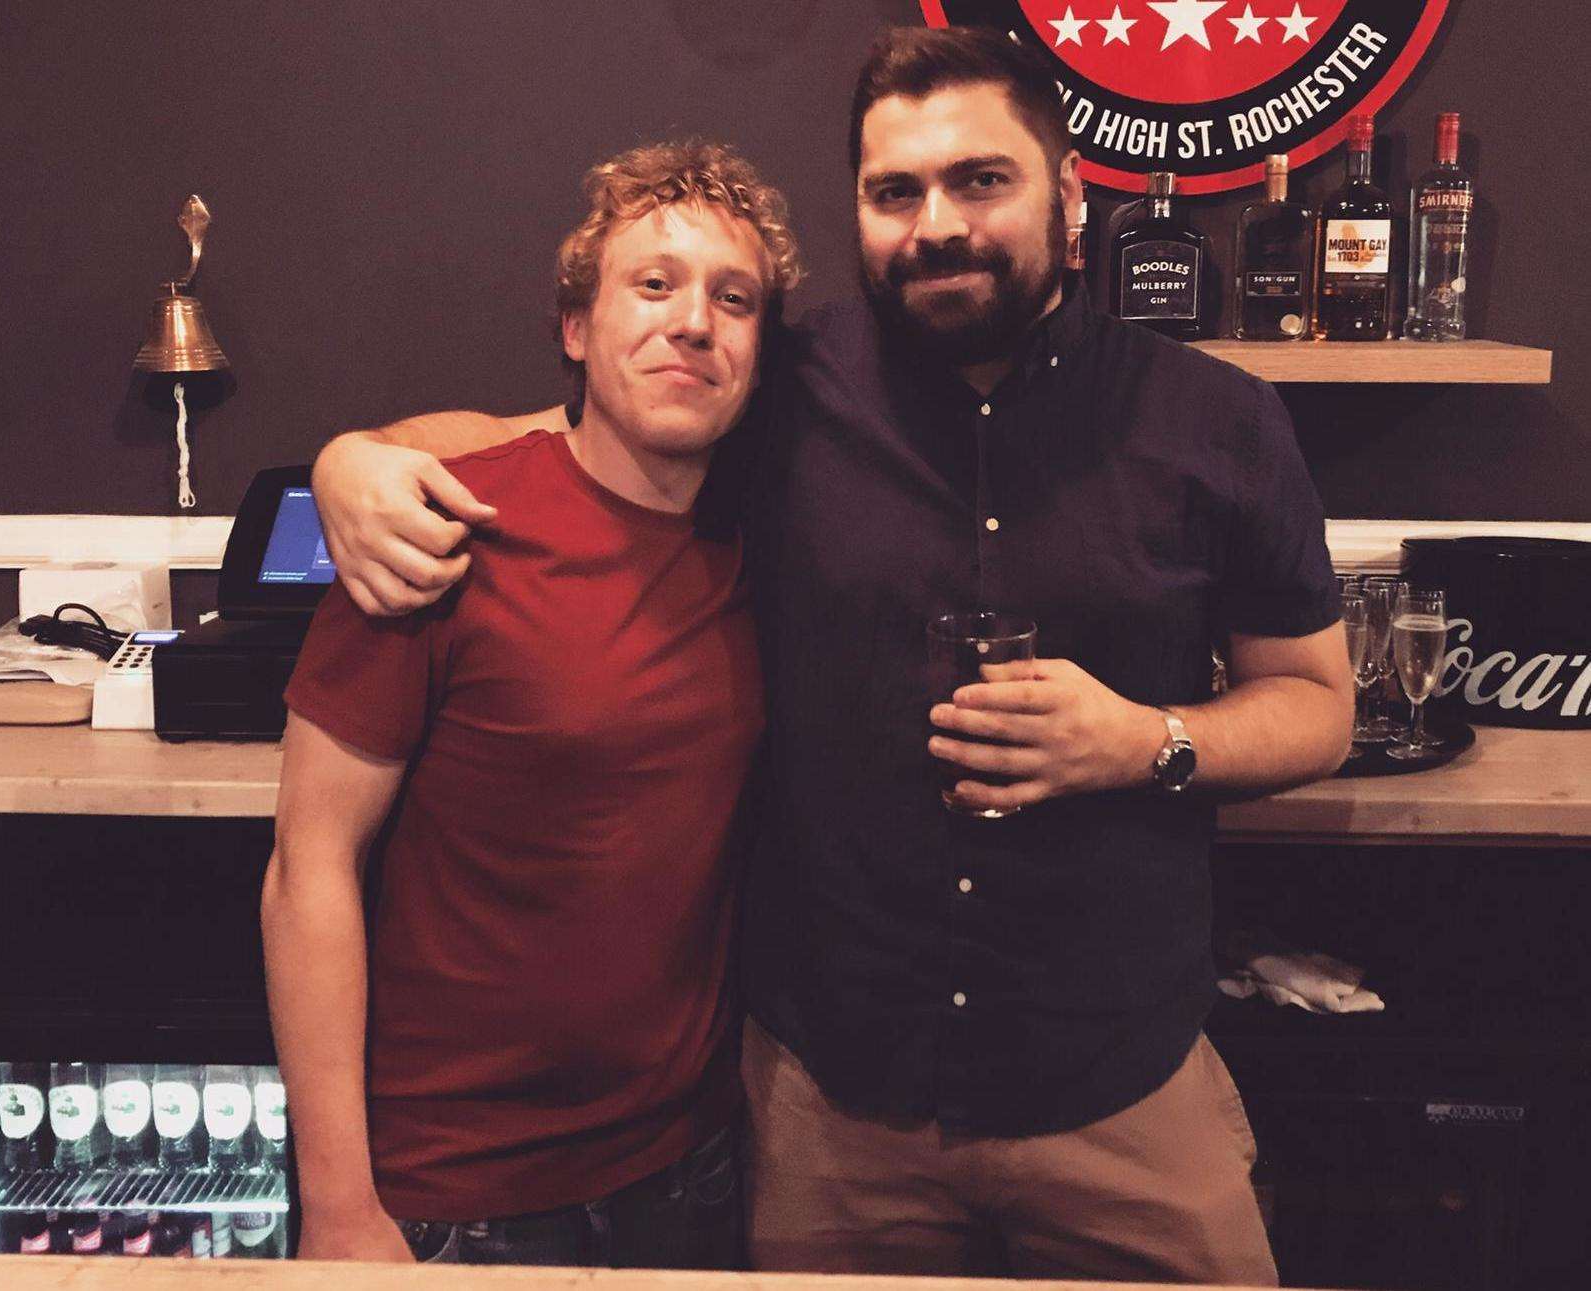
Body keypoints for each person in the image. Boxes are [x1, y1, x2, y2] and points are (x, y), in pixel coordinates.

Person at [307, 27, 1352, 1284]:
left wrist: (1145, 740)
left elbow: (1316, 705)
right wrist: (351, 462)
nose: (936, 225)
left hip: (1119, 1086)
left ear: (1071, 194)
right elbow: (558, 431)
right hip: (835, 1111)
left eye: (980, 180)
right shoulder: (780, 386)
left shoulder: (1219, 420)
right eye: (893, 191)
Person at [260, 139, 801, 1268]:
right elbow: (307, 867)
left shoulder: (772, 542)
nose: (694, 320)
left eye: (732, 297)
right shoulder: (438, 529)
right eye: (653, 284)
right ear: (575, 328)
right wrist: (341, 1207)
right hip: (452, 1196)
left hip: (685, 1170)